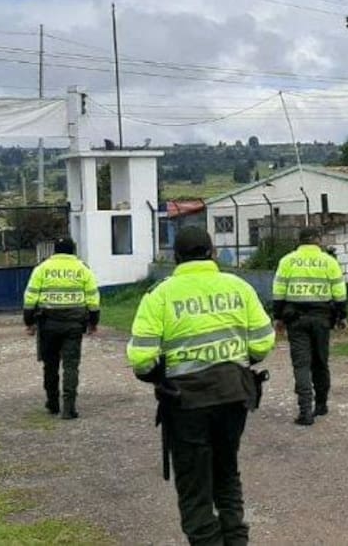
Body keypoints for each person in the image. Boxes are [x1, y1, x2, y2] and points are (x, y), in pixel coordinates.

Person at [127, 227, 275, 546]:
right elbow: (263, 341)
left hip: (186, 403)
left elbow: (141, 358)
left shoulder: (160, 294)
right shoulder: (238, 286)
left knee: (195, 487)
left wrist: (158, 376)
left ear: (176, 257)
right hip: (234, 394)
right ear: (212, 253)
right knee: (226, 473)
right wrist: (238, 360)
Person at [272, 227, 347, 426]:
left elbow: (278, 291)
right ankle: (321, 405)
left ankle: (305, 411)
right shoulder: (329, 261)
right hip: (322, 319)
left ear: (300, 241)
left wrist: (278, 317)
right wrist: (342, 316)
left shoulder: (287, 261)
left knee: (301, 365)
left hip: (295, 320)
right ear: (318, 240)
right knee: (320, 362)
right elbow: (339, 292)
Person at [23, 237, 100, 420]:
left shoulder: (42, 269)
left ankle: (52, 403)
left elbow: (30, 297)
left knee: (50, 365)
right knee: (71, 366)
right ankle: (69, 407)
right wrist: (93, 322)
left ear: (54, 251)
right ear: (73, 250)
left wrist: (29, 322)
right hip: (74, 324)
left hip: (48, 323)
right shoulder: (83, 269)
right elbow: (93, 298)